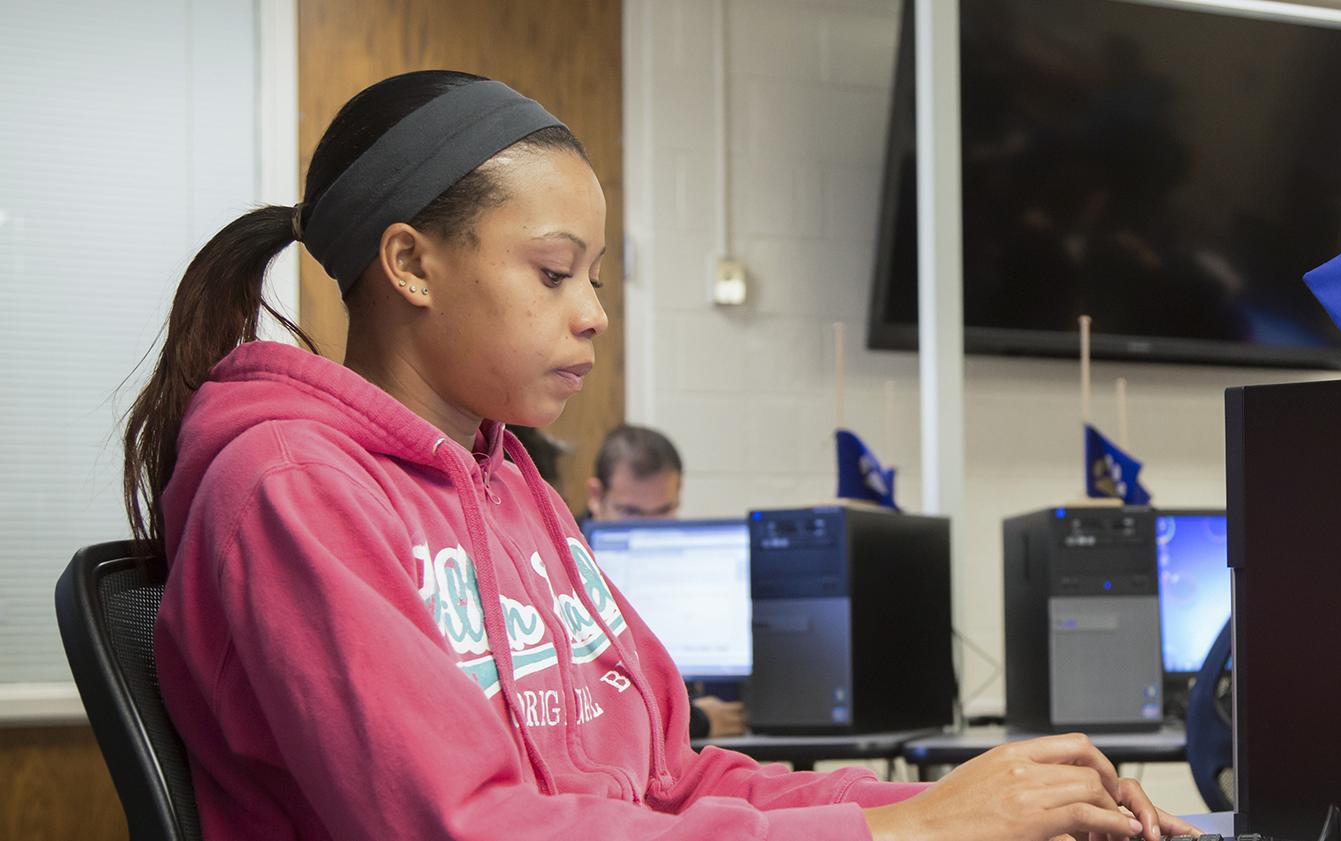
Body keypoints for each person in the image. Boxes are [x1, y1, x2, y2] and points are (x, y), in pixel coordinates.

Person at [120, 69, 1195, 840]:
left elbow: (668, 779)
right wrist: (908, 835)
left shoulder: (515, 486)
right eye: (553, 273)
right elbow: (464, 825)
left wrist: (954, 804)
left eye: (596, 277)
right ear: (409, 263)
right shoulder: (292, 491)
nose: (592, 314)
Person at [581, 424, 747, 739]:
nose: (648, 529)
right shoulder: (554, 556)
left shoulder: (692, 559)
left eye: (664, 510)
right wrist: (696, 721)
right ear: (595, 496)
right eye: (630, 512)